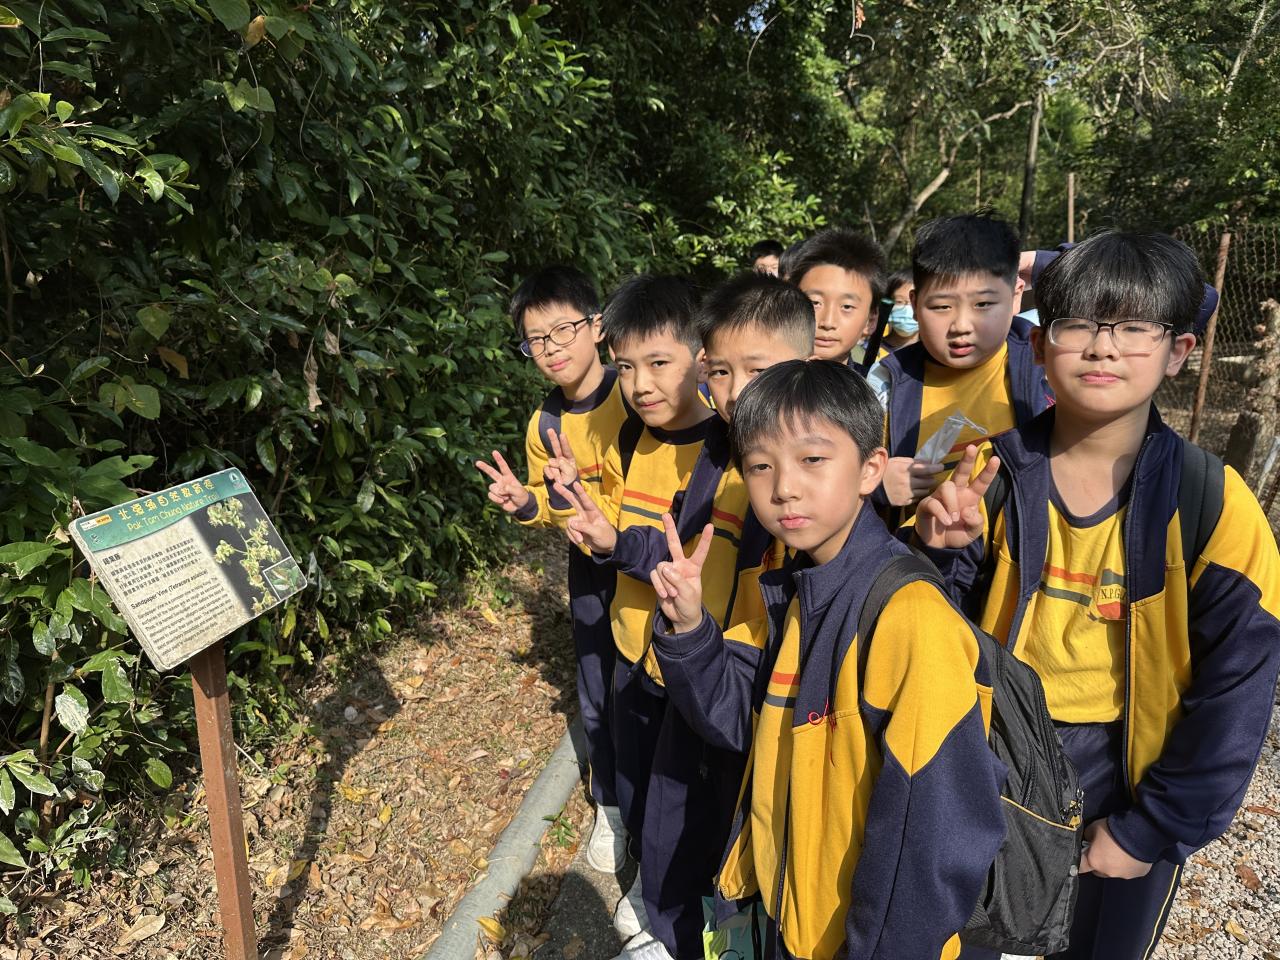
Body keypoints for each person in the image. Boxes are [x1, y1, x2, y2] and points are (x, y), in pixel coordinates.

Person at [913, 231, 1280, 960]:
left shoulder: (1213, 504)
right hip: (995, 760)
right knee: (968, 936)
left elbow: (1238, 684)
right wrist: (938, 556)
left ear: (1178, 351)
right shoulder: (985, 475)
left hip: (1128, 773)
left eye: (1135, 328)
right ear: (1039, 346)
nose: (1103, 347)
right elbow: (928, 636)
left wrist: (1153, 828)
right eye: (1078, 324)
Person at [647, 359, 1007, 960]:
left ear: (871, 469)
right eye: (760, 465)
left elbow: (935, 833)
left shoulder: (910, 617)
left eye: (812, 459)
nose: (784, 487)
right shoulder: (796, 589)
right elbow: (737, 719)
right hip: (792, 916)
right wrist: (688, 628)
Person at [572, 272, 813, 960]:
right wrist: (617, 543)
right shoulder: (714, 452)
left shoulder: (801, 462)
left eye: (757, 370)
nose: (736, 391)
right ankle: (673, 924)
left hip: (756, 684)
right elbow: (679, 548)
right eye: (723, 371)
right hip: (688, 660)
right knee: (672, 804)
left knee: (727, 822)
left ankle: (702, 928)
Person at [550, 274, 724, 944]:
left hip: (693, 665)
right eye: (625, 367)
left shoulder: (726, 449)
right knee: (640, 775)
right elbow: (615, 529)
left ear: (700, 357)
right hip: (632, 648)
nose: (641, 384)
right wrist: (584, 511)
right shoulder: (631, 439)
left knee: (687, 796)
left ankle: (674, 897)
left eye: (659, 363)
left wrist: (618, 542)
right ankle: (651, 876)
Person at [473, 265, 634, 876]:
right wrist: (526, 502)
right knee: (597, 683)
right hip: (590, 571)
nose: (551, 348)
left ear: (597, 326)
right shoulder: (544, 424)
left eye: (562, 329)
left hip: (646, 560)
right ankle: (612, 806)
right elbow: (552, 502)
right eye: (535, 339)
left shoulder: (635, 393)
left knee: (650, 682)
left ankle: (658, 797)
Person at [870, 212, 1051, 513]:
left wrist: (1039, 262)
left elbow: (1123, 275)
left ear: (1016, 296)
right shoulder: (885, 383)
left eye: (983, 304)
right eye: (942, 306)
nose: (962, 325)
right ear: (915, 305)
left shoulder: (1046, 362)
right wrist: (873, 482)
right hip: (920, 542)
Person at [786, 227, 887, 367]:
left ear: (871, 320)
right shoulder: (760, 377)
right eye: (814, 303)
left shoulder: (874, 381)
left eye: (847, 306)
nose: (828, 323)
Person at [882, 268, 918, 350]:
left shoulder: (934, 354)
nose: (906, 310)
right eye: (899, 302)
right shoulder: (870, 351)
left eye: (914, 302)